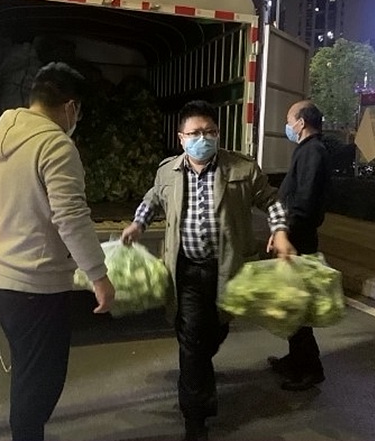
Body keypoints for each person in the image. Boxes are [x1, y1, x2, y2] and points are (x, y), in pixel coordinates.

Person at [121, 100, 295, 441]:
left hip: (226, 269)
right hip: (186, 269)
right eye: (195, 133)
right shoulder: (168, 171)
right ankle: (195, 417)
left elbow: (271, 200)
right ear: (181, 138)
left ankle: (200, 377)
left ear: (218, 134)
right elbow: (152, 198)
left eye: (210, 132)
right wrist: (138, 224)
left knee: (215, 332)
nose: (203, 138)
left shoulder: (242, 169)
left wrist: (280, 231)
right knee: (191, 341)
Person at [0, 62, 115, 441]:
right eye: (78, 111)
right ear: (70, 107)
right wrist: (99, 276)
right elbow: (71, 216)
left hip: (1, 280)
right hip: (36, 286)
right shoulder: (55, 145)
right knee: (42, 382)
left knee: (28, 373)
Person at [266, 100, 332, 391]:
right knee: (293, 302)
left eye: (289, 120)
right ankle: (296, 360)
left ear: (301, 122)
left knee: (299, 305)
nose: (288, 126)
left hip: (300, 239)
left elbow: (303, 202)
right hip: (295, 236)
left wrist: (285, 232)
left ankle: (311, 369)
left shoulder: (313, 152)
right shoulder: (307, 150)